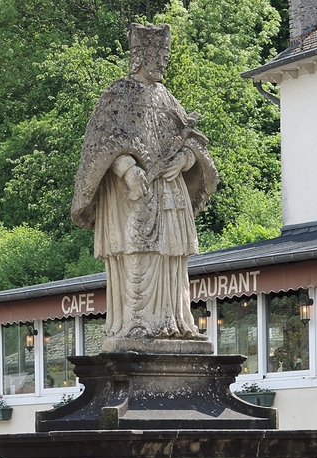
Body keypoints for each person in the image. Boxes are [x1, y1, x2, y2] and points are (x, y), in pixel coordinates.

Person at [71, 22, 219, 344]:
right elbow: (101, 144)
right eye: (158, 55)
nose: (163, 62)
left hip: (169, 196)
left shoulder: (169, 99)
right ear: (140, 56)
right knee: (137, 254)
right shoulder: (117, 94)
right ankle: (135, 324)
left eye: (166, 55)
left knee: (172, 258)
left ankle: (172, 320)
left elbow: (193, 144)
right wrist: (125, 169)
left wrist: (185, 161)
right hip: (132, 196)